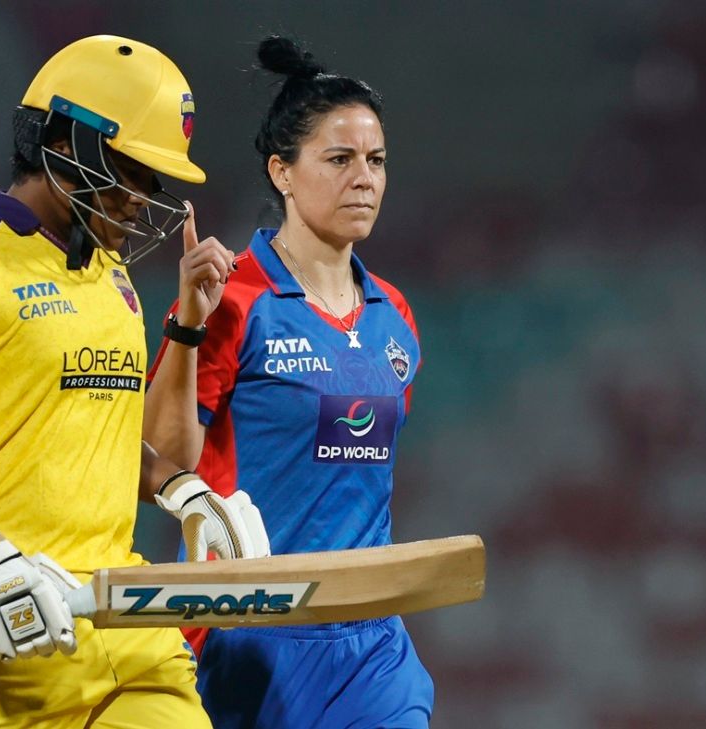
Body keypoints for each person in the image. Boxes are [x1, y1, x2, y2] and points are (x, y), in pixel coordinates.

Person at [0, 35, 267, 729]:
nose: (141, 199)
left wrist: (185, 491)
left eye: (151, 180)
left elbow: (94, 437)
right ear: (67, 143)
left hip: (120, 620)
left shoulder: (110, 273)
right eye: (131, 171)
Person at [144, 36, 434, 728]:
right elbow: (161, 460)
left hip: (371, 644)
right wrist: (188, 325)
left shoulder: (395, 316)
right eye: (339, 159)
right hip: (248, 631)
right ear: (282, 172)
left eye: (376, 160)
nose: (364, 178)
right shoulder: (231, 299)